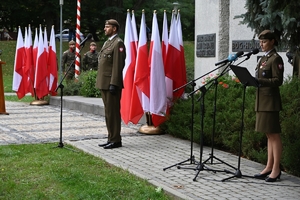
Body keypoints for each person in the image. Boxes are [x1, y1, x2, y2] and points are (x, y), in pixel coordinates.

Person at [253, 30, 284, 182]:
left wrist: (261, 81)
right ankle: (269, 166)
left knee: (274, 134)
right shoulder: (264, 58)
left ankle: (276, 169)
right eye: (260, 42)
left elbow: (278, 81)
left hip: (270, 102)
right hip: (262, 101)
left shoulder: (276, 59)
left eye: (264, 42)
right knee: (268, 134)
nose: (261, 45)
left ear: (272, 41)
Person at [96, 19, 126, 149]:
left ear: (114, 28)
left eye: (107, 26)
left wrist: (114, 83)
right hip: (104, 83)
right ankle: (110, 137)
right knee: (108, 112)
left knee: (113, 113)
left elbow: (118, 65)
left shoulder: (118, 43)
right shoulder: (108, 42)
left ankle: (116, 140)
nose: (104, 29)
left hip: (111, 84)